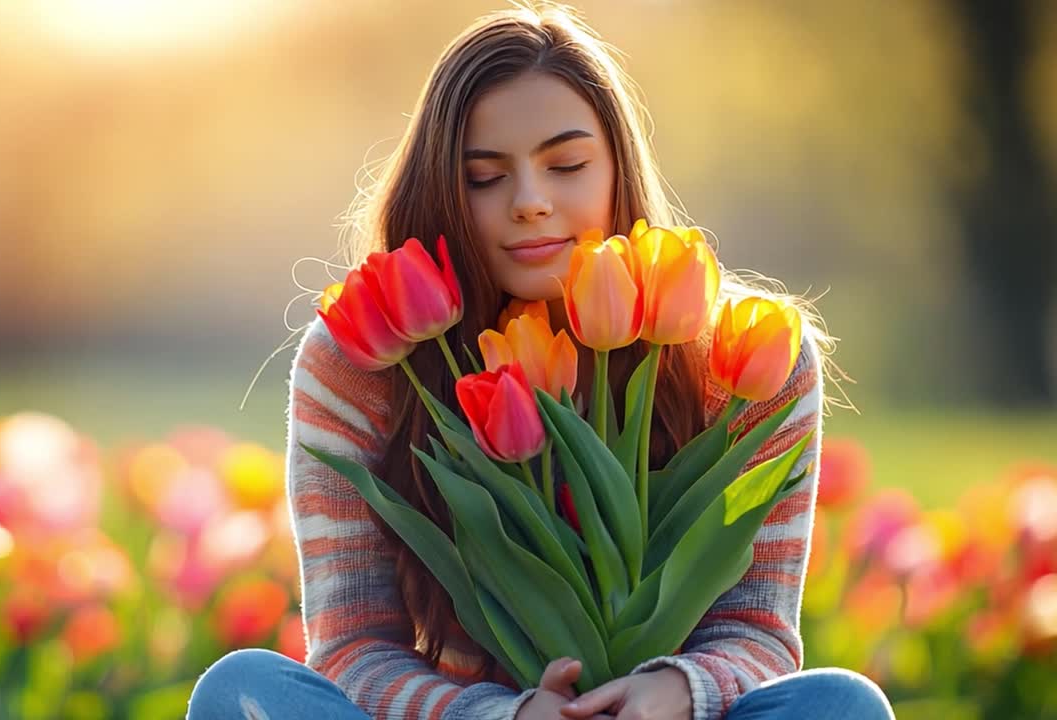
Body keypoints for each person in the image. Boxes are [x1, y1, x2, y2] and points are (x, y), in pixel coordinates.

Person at [189, 3, 895, 719]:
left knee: (842, 705)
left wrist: (677, 690)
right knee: (240, 691)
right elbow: (352, 649)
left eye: (566, 165)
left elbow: (759, 630)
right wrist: (507, 715)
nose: (530, 202)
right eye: (484, 177)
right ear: (439, 190)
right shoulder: (364, 367)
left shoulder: (741, 359)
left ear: (620, 169)